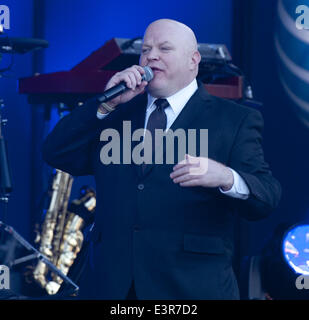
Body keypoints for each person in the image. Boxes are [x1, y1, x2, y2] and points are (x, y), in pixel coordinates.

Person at [42, 19, 281, 300]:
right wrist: (105, 103)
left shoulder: (234, 119)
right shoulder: (117, 112)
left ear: (194, 60)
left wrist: (226, 177)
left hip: (190, 288)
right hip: (113, 286)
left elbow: (267, 196)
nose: (151, 56)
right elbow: (55, 152)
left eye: (164, 48)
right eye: (146, 49)